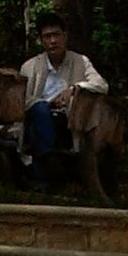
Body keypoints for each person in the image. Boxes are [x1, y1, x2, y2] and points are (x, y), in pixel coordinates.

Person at [19, 13, 108, 192]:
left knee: (41, 126)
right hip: (37, 117)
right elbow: (23, 101)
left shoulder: (80, 61)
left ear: (65, 36)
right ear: (41, 41)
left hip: (67, 121)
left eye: (56, 35)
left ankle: (44, 174)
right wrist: (47, 104)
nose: (53, 41)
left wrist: (75, 88)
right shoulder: (30, 66)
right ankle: (50, 167)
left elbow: (102, 85)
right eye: (47, 37)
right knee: (40, 110)